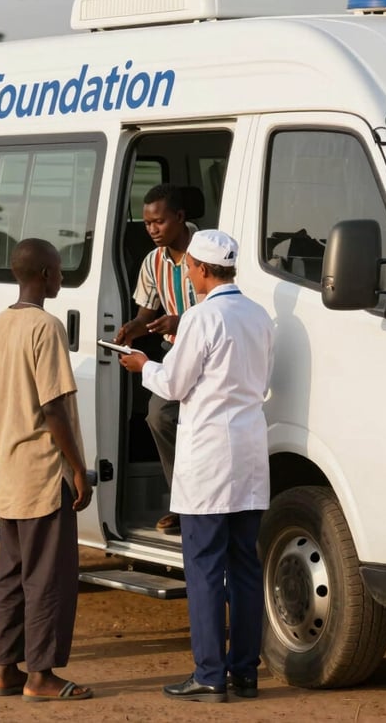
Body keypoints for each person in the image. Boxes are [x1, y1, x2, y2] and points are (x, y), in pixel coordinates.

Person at [120, 230, 273, 703]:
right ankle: (245, 672)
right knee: (245, 565)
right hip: (249, 450)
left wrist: (142, 365)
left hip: (209, 454)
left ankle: (210, 672)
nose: (187, 273)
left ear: (204, 270)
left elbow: (174, 384)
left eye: (189, 267)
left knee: (205, 567)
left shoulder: (200, 317)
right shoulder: (259, 315)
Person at [0, 238, 93, 702]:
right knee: (47, 578)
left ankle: (6, 668)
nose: (63, 277)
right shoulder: (45, 328)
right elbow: (54, 409)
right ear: (45, 274)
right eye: (60, 270)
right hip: (43, 472)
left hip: (9, 469)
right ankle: (40, 675)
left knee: (12, 575)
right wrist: (78, 468)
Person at [114, 183, 198, 534]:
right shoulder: (153, 261)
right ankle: (183, 500)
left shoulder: (205, 252)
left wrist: (181, 320)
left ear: (180, 217)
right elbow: (147, 312)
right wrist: (132, 330)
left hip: (210, 351)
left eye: (159, 222)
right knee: (158, 417)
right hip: (173, 352)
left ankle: (201, 503)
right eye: (147, 223)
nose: (152, 230)